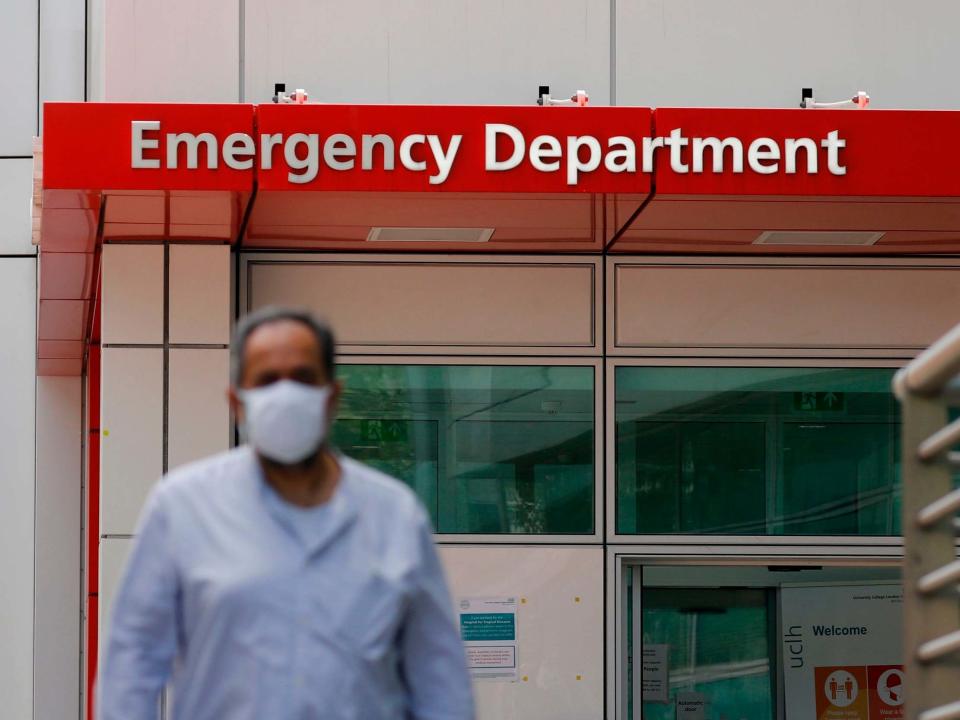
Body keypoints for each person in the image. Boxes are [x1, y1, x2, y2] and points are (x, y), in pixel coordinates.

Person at [97, 306, 475, 720]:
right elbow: (131, 665)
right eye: (267, 380)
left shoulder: (396, 515)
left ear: (332, 396)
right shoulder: (182, 508)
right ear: (236, 400)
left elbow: (440, 679)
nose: (285, 394)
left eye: (302, 377)